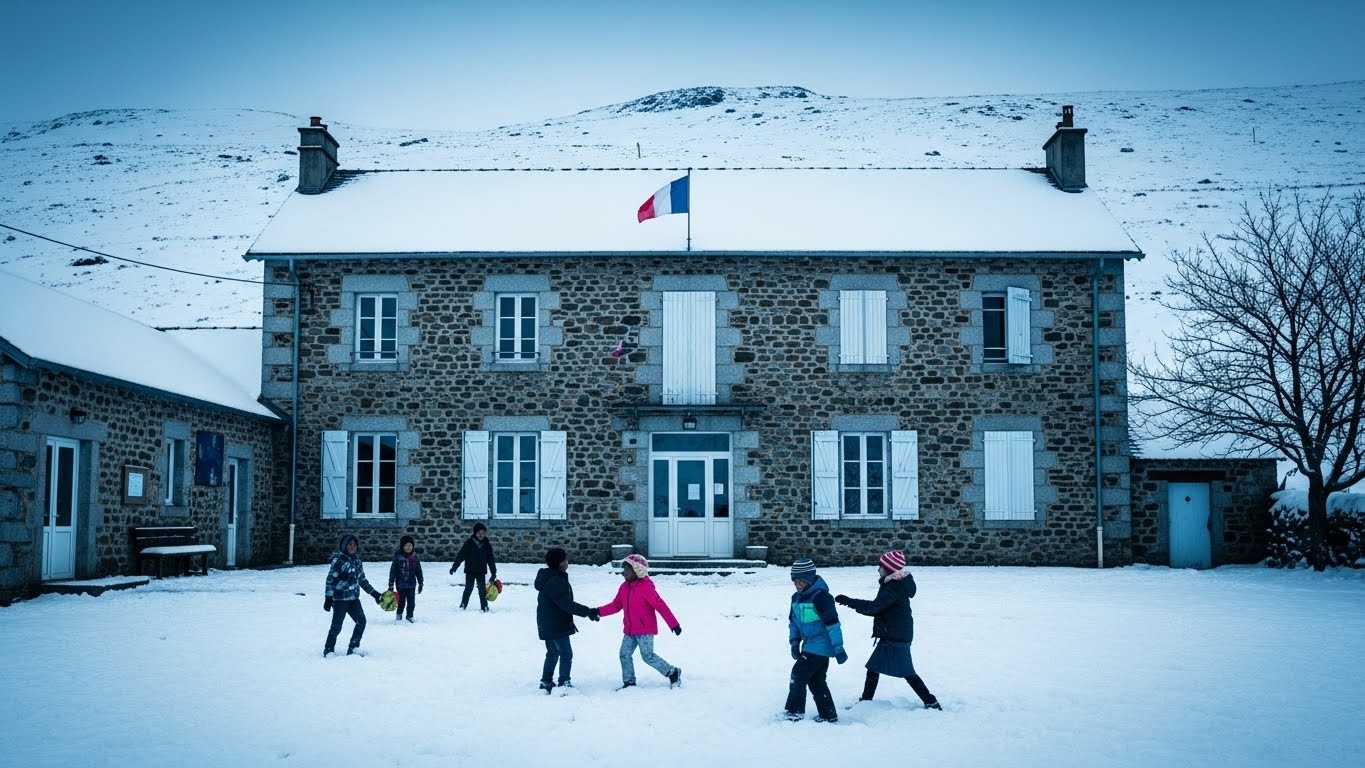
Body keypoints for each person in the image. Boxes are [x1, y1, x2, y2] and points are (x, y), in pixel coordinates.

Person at [835, 550, 941, 710]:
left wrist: (851, 602)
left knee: (907, 672)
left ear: (889, 569)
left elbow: (875, 607)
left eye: (881, 566)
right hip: (893, 634)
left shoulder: (893, 587)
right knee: (873, 668)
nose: (878, 569)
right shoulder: (894, 584)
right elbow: (879, 606)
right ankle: (866, 701)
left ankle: (931, 701)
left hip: (896, 636)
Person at [596, 553, 683, 689]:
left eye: (627, 569)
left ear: (637, 570)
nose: (624, 572)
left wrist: (674, 624)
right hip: (630, 630)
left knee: (647, 656)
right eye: (624, 568)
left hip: (645, 629)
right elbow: (616, 605)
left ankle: (672, 672)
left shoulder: (645, 587)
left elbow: (660, 605)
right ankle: (629, 682)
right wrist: (598, 611)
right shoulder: (624, 587)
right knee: (624, 654)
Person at [785, 557, 847, 722]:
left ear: (810, 578)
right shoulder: (796, 598)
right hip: (809, 646)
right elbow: (794, 623)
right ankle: (828, 715)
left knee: (798, 675)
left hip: (820, 646)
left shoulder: (821, 597)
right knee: (816, 681)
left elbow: (833, 624)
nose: (797, 584)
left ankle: (794, 713)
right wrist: (794, 642)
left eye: (801, 580)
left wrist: (838, 647)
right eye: (794, 580)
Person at [534, 546, 599, 693]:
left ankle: (546, 681)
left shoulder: (550, 577)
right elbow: (567, 604)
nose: (566, 562)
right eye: (564, 560)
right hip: (556, 624)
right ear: (558, 563)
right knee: (565, 653)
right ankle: (564, 682)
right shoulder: (555, 581)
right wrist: (588, 612)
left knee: (552, 652)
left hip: (547, 622)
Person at [323, 533, 384, 657]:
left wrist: (374, 594)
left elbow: (362, 580)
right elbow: (330, 580)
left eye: (355, 545)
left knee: (361, 621)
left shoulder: (357, 560)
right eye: (350, 544)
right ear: (344, 546)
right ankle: (328, 650)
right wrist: (328, 598)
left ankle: (353, 648)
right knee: (336, 626)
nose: (353, 547)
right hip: (340, 599)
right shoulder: (338, 560)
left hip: (353, 599)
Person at [449, 522, 498, 611]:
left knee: (482, 590)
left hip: (481, 571)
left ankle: (484, 606)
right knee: (468, 588)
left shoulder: (487, 544)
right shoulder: (469, 543)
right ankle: (463, 604)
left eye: (483, 533)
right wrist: (454, 567)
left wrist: (493, 573)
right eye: (479, 533)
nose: (481, 535)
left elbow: (491, 560)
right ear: (475, 533)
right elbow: (461, 555)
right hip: (470, 571)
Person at [388, 534, 424, 623]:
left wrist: (421, 583)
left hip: (412, 584)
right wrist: (391, 584)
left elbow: (418, 570)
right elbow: (393, 571)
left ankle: (410, 616)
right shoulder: (398, 557)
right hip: (401, 584)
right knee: (401, 601)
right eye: (406, 546)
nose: (408, 548)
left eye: (410, 545)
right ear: (402, 546)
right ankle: (399, 614)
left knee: (411, 602)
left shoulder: (414, 557)